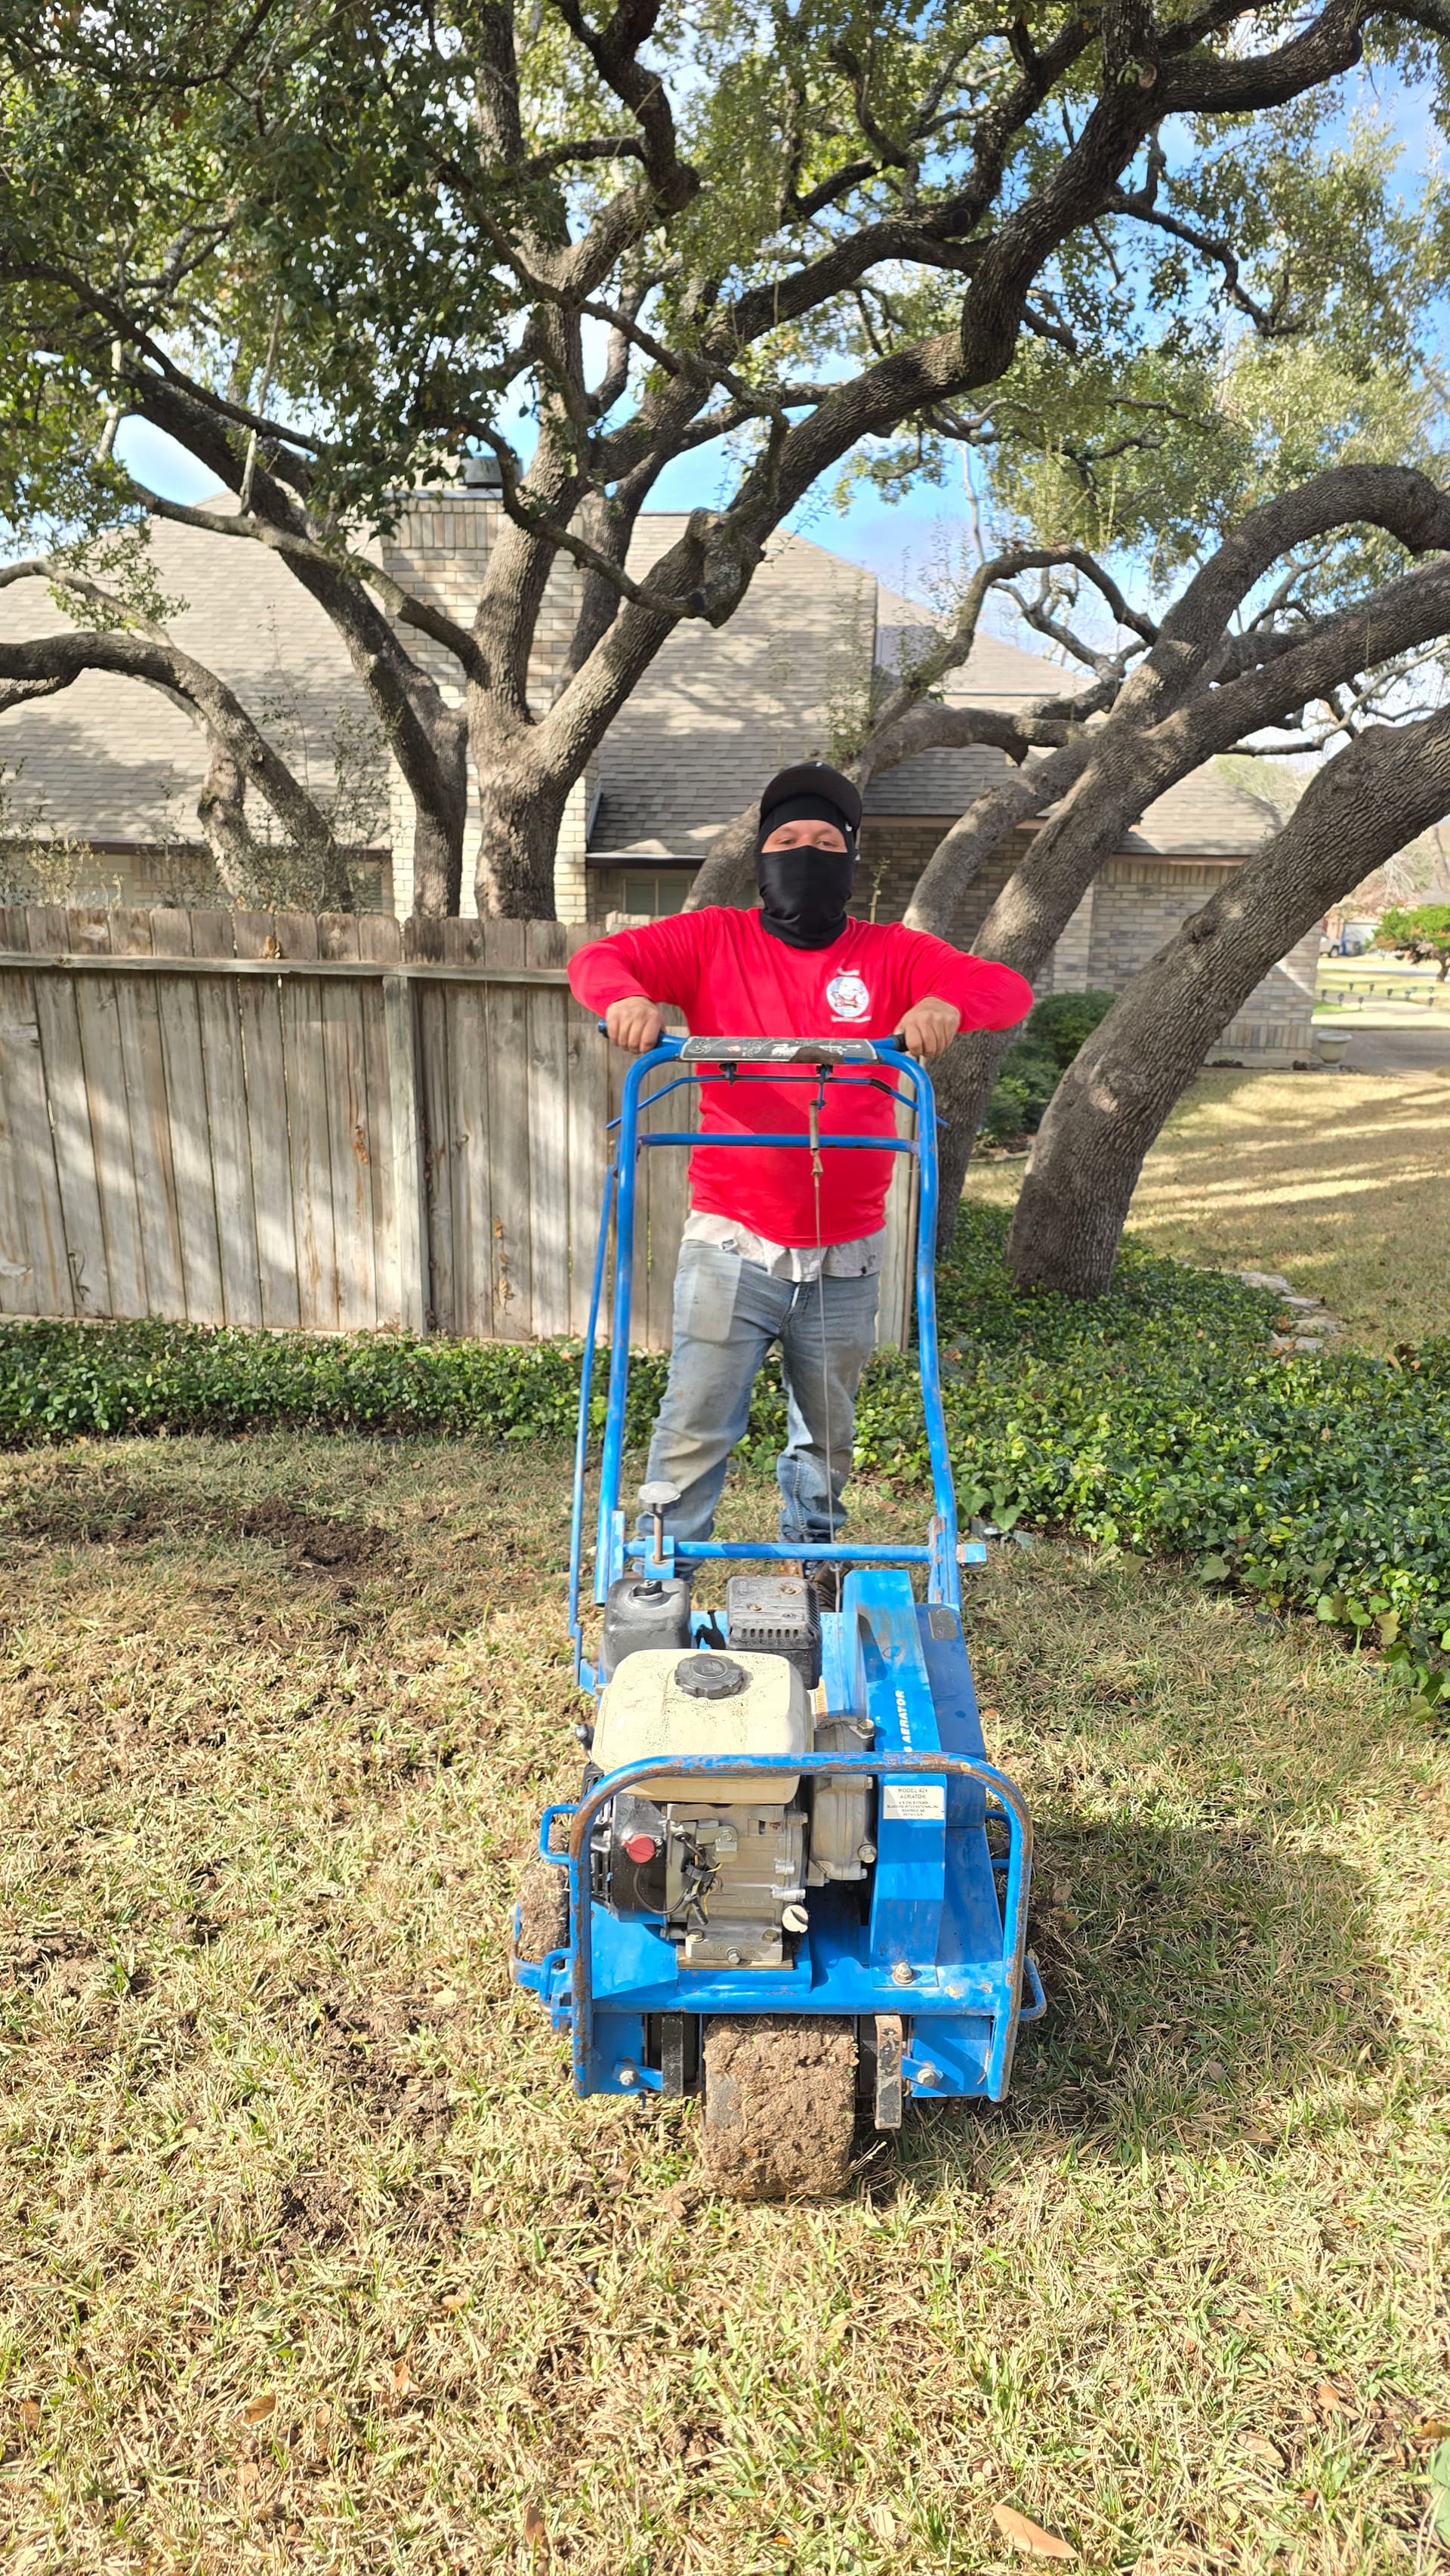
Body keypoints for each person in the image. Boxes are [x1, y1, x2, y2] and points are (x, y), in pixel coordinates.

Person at [567, 761, 1033, 1600]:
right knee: (695, 1424)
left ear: (849, 862)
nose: (806, 853)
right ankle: (660, 1579)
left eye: (825, 842)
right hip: (730, 1243)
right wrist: (627, 998)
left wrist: (945, 1007)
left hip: (847, 1254)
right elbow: (601, 960)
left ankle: (810, 1563)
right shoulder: (712, 939)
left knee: (826, 1437)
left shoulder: (891, 953)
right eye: (788, 841)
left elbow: (1004, 985)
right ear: (761, 857)